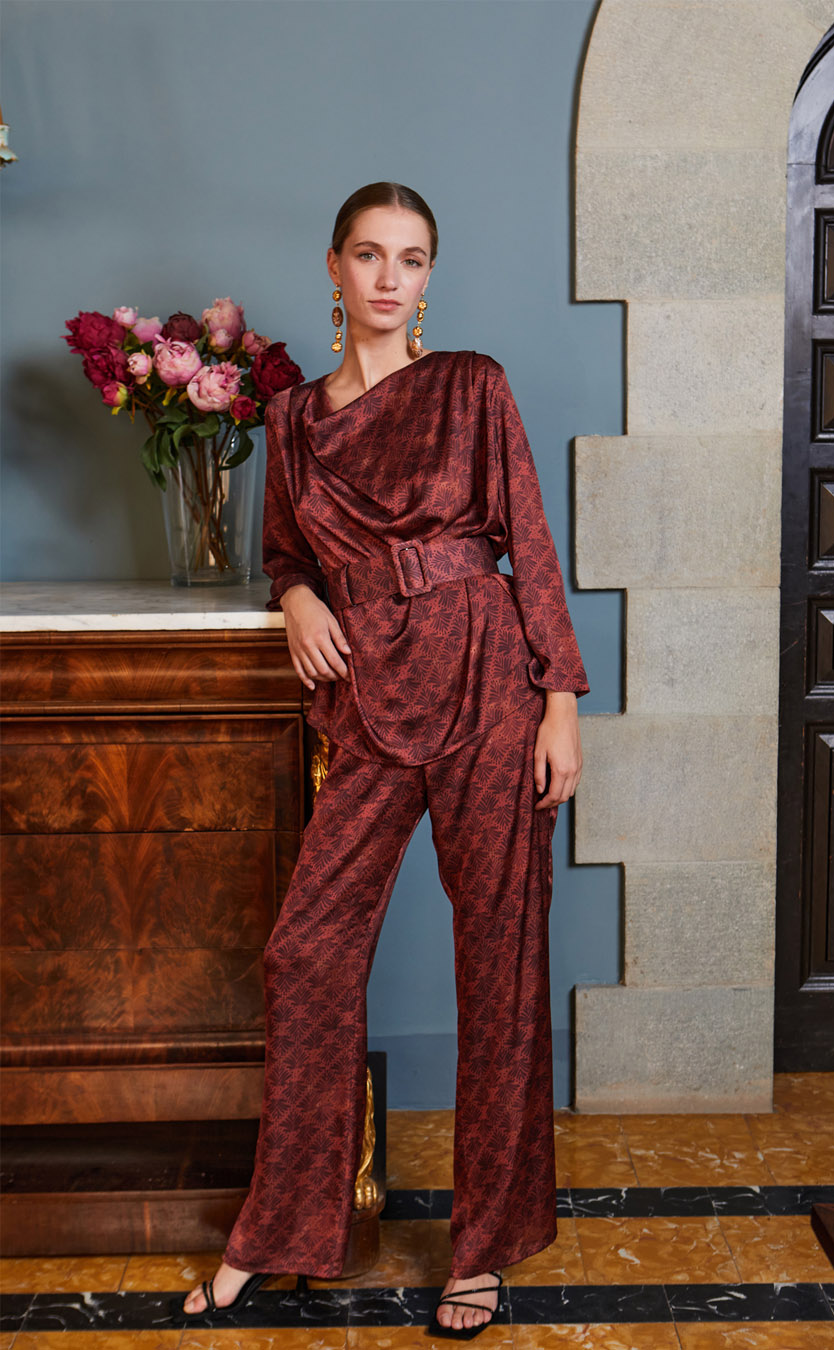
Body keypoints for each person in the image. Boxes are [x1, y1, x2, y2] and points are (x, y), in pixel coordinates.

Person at [178, 181, 589, 1340]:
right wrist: (300, 596)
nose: (388, 278)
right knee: (308, 952)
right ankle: (278, 1233)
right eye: (368, 255)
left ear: (429, 277)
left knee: (500, 960)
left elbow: (530, 543)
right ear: (334, 266)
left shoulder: (473, 385)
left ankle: (483, 1247)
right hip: (368, 692)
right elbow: (284, 552)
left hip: (487, 677)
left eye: (410, 259)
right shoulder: (294, 420)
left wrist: (560, 702)